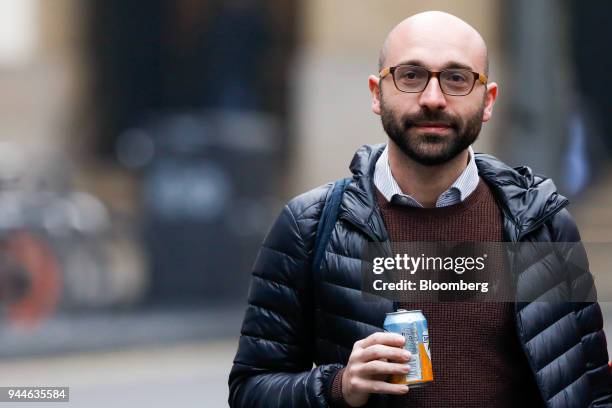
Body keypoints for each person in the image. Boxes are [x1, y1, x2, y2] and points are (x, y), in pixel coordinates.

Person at [228, 11, 612, 407]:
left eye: (457, 78)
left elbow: (592, 392)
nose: (433, 99)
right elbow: (250, 390)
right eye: (411, 76)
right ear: (377, 93)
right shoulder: (308, 225)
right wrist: (338, 386)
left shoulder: (541, 224)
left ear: (488, 101)